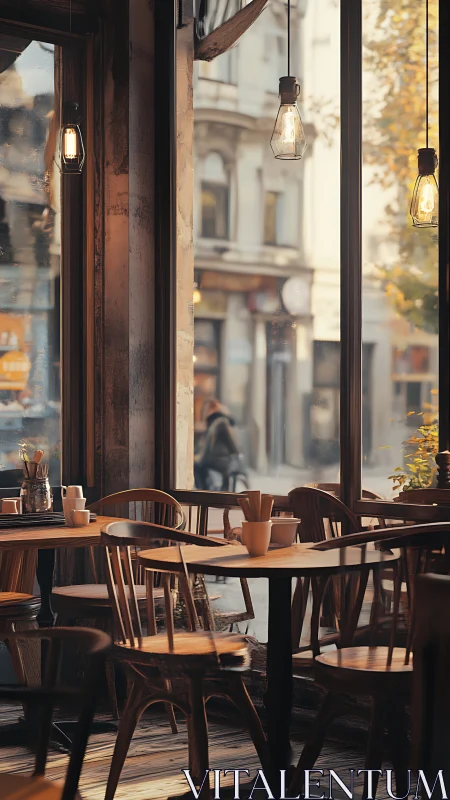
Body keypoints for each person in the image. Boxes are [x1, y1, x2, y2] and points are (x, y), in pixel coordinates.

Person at [194, 398, 239, 489]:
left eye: (206, 409)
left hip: (219, 460)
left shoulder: (220, 423)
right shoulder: (213, 423)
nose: (204, 412)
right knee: (197, 466)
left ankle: (203, 491)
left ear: (213, 409)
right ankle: (203, 490)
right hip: (216, 459)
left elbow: (232, 445)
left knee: (197, 466)